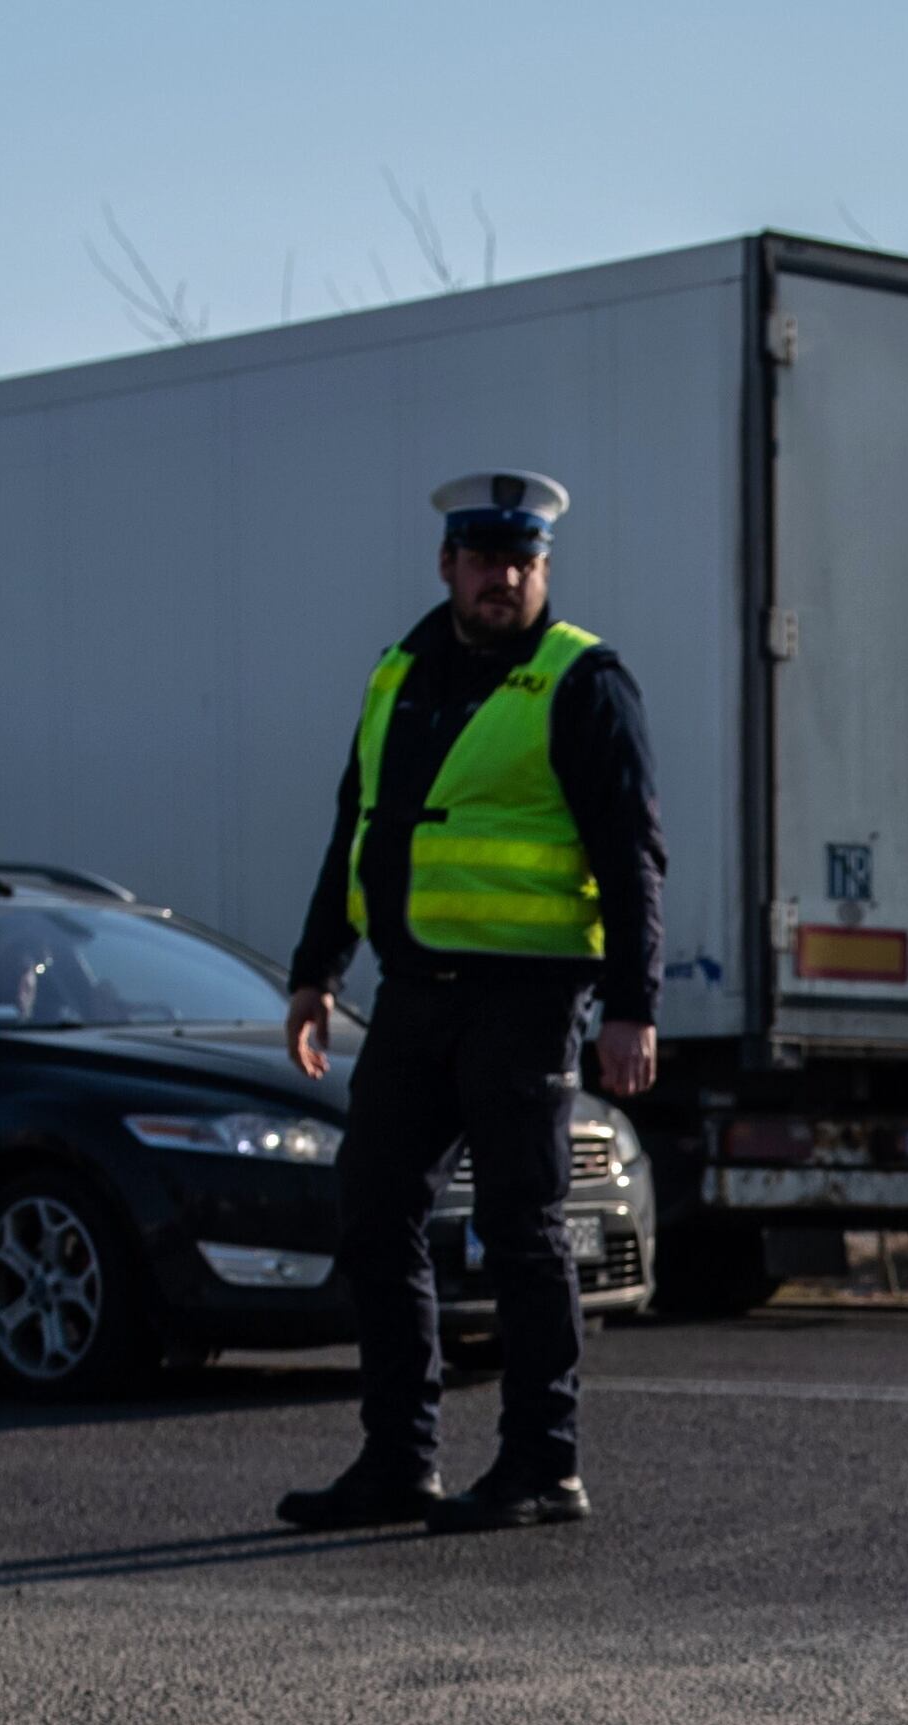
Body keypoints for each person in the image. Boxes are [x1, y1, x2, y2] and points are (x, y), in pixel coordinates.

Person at [271, 469, 668, 1536]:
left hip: (526, 995)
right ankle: (398, 1459)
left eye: (525, 562)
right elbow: (357, 829)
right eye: (488, 560)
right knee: (374, 1206)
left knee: (521, 1225)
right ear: (446, 563)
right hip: (415, 992)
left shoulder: (582, 680)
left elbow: (630, 855)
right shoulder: (398, 673)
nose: (506, 579)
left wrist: (632, 1004)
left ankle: (544, 1464)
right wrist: (315, 970)